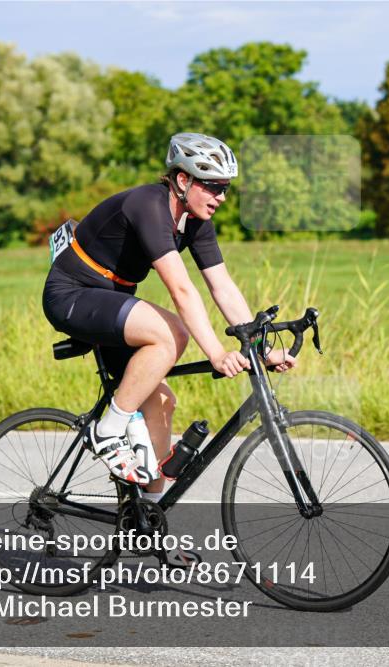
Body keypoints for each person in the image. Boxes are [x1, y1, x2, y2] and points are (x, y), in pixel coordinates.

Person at [42, 132, 297, 494]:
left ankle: (147, 519)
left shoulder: (196, 222)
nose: (221, 197)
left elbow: (221, 287)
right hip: (72, 295)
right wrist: (216, 354)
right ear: (183, 179)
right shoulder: (148, 205)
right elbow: (181, 290)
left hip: (111, 302)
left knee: (162, 403)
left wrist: (257, 348)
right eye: (213, 187)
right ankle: (109, 430)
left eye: (225, 188)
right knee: (173, 333)